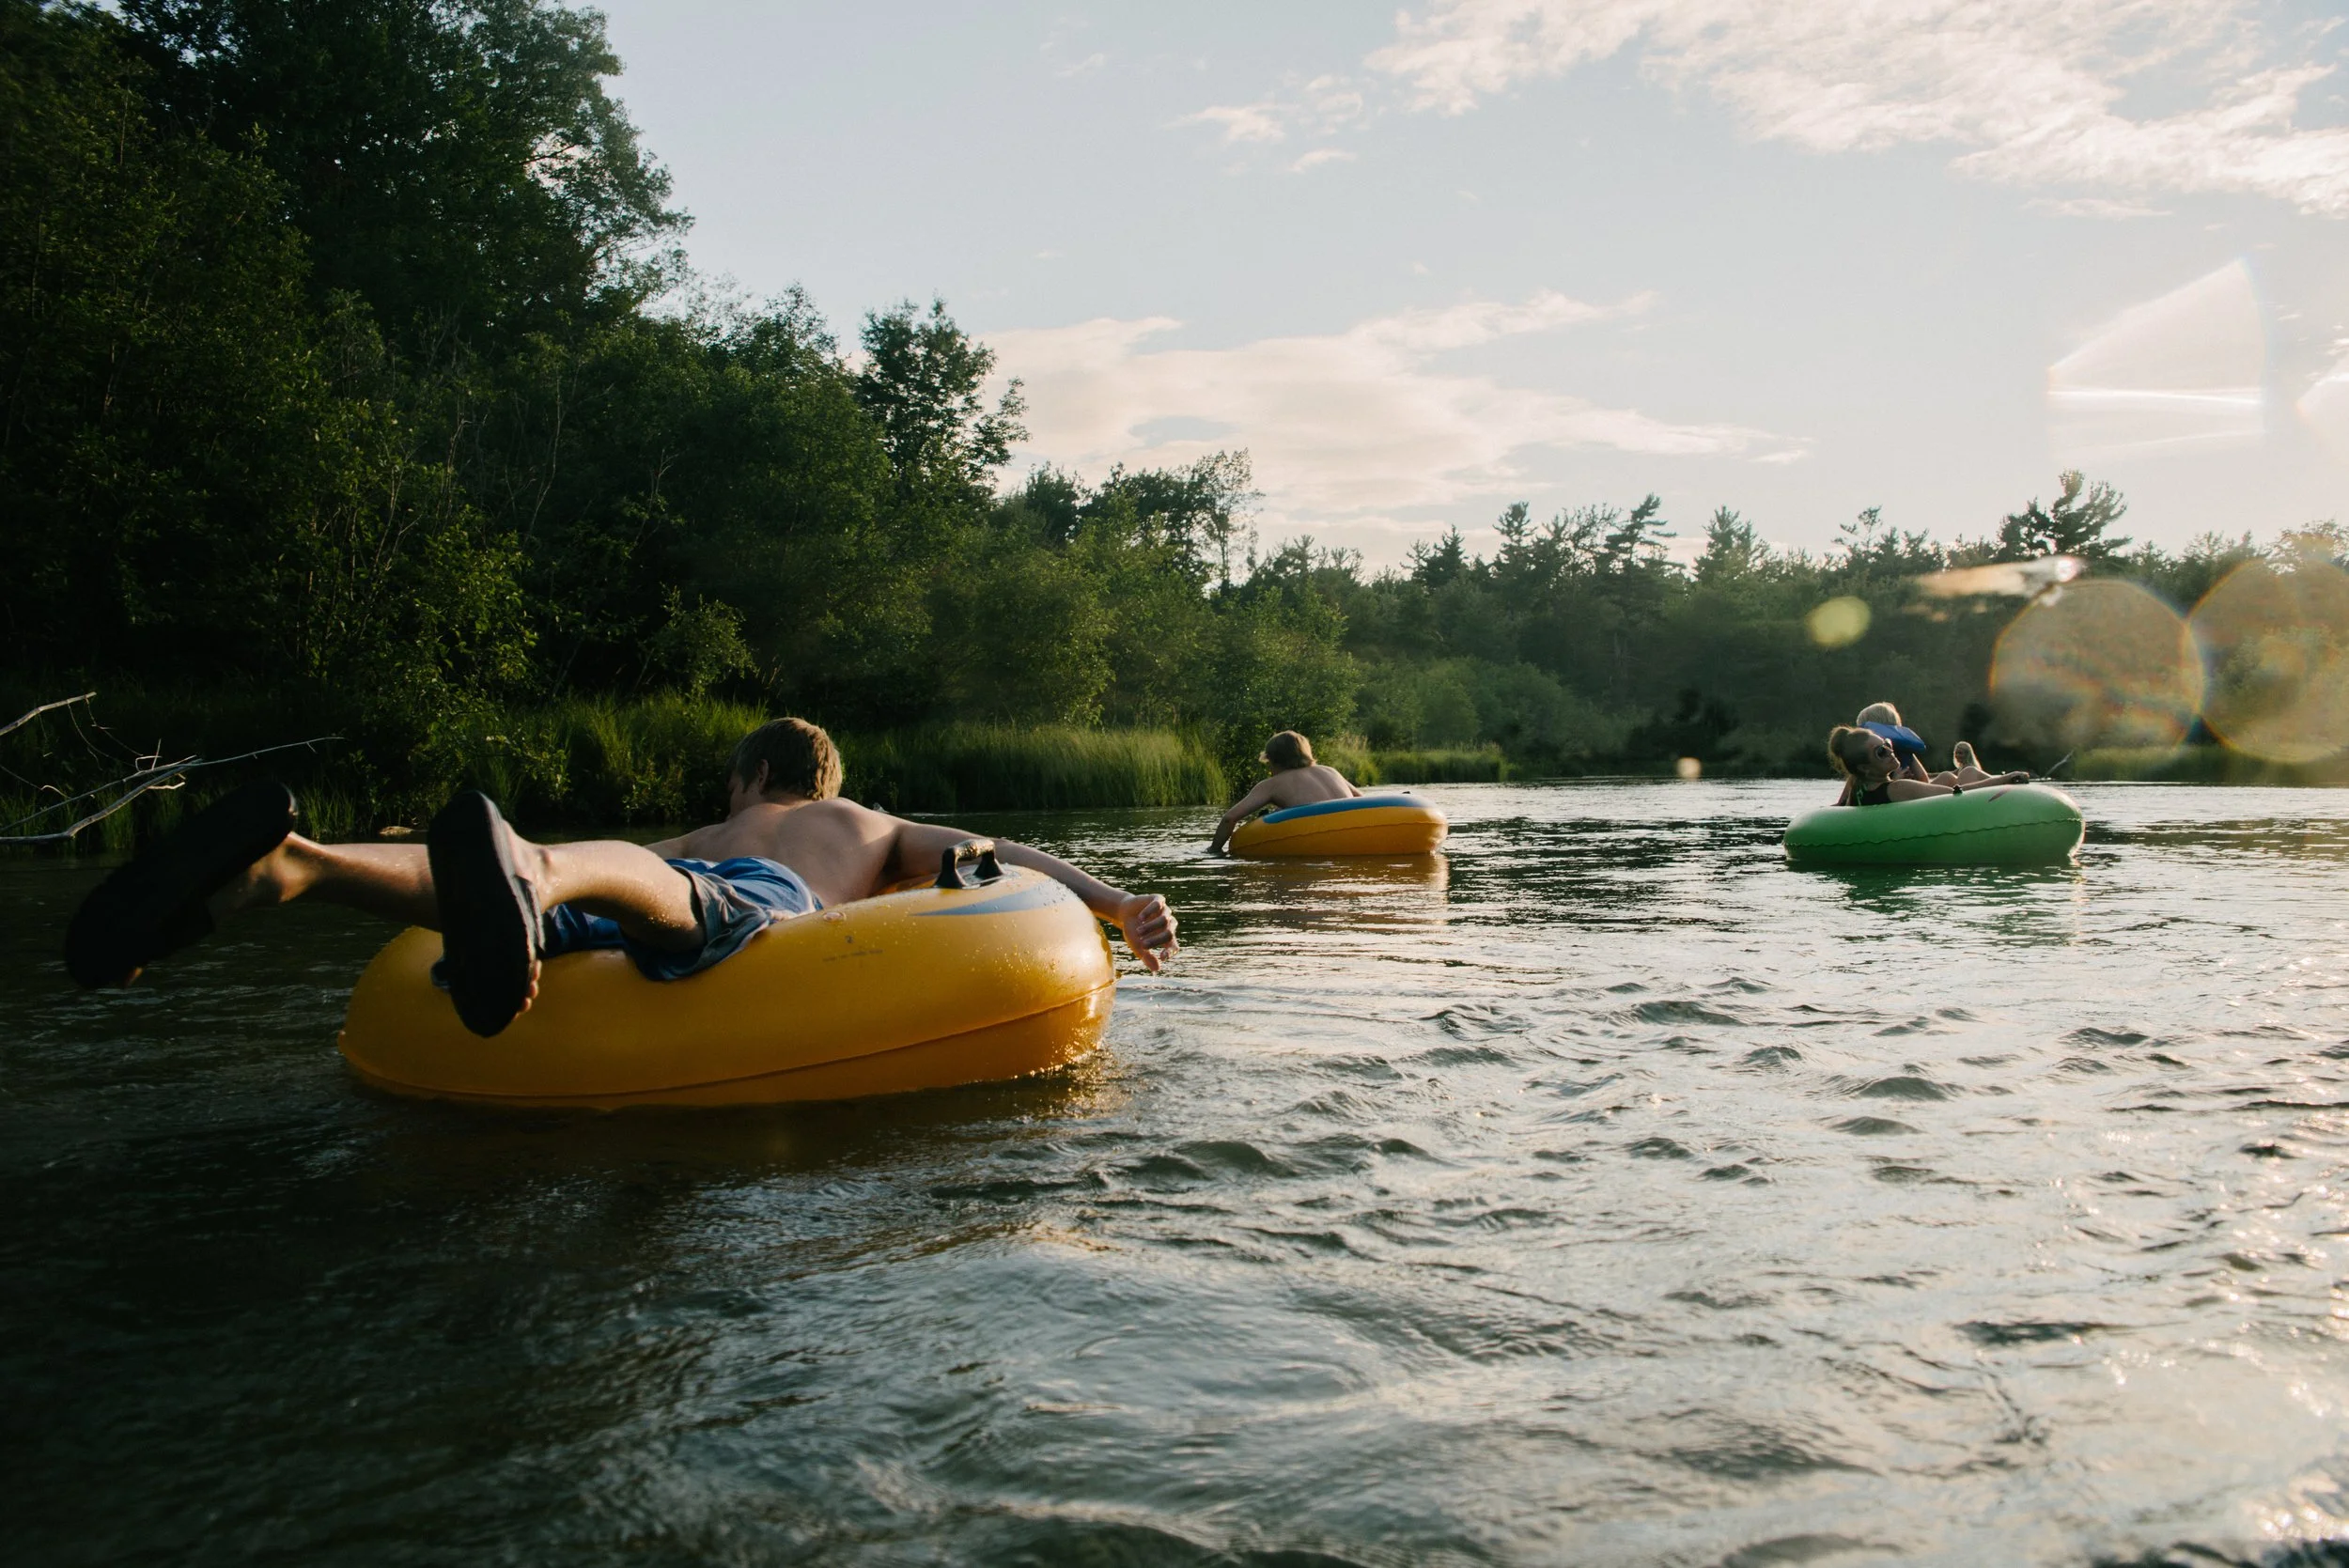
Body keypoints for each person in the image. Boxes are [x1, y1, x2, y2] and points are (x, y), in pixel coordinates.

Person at [66, 718, 1178, 1037]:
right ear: (820, 778)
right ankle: (518, 875)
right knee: (624, 891)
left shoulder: (710, 828)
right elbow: (1000, 859)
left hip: (638, 893)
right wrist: (1116, 902)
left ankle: (299, 868)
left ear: (750, 772)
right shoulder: (863, 823)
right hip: (741, 917)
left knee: (588, 884)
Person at [1207, 730, 1360, 854]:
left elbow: (1229, 819)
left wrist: (1214, 851)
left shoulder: (1272, 784)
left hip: (1318, 841)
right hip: (1354, 835)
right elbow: (1359, 799)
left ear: (1272, 760)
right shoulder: (1330, 771)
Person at [1828, 724, 2028, 806]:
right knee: (1963, 775)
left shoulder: (1857, 785)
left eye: (1887, 745)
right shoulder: (1898, 788)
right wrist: (2005, 779)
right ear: (1865, 767)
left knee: (1952, 775)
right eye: (1881, 752)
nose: (1890, 752)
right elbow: (1957, 792)